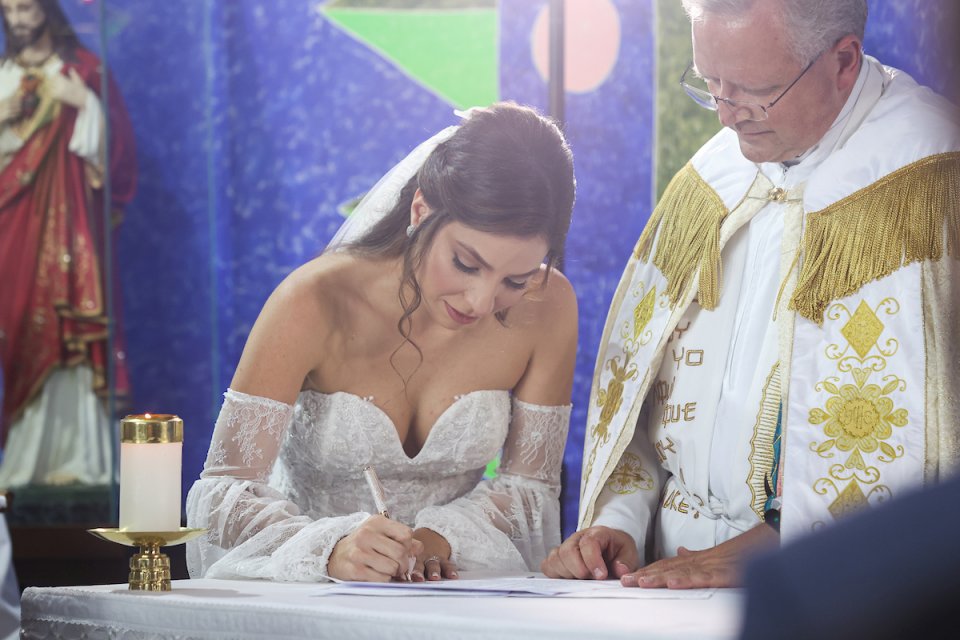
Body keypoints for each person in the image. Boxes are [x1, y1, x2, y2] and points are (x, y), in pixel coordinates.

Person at [543, 0, 959, 588]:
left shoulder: (930, 184)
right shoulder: (712, 181)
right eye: (710, 84)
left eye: (754, 91)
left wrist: (784, 547)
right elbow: (641, 408)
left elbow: (933, 454)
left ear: (844, 60)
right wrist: (621, 526)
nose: (725, 116)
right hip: (661, 582)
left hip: (830, 593)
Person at [186, 102, 578, 582]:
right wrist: (329, 549)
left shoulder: (547, 305)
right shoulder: (313, 301)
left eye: (513, 280)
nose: (480, 300)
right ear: (420, 210)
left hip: (460, 592)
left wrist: (441, 538)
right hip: (311, 595)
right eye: (466, 263)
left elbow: (532, 489)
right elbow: (223, 496)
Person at [0, 0, 137, 487]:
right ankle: (22, 460)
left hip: (70, 226)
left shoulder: (83, 70)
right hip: (13, 231)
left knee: (70, 328)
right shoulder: (4, 77)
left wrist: (85, 105)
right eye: (8, 8)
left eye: (25, 6)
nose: (17, 18)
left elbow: (118, 156)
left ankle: (82, 459)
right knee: (19, 331)